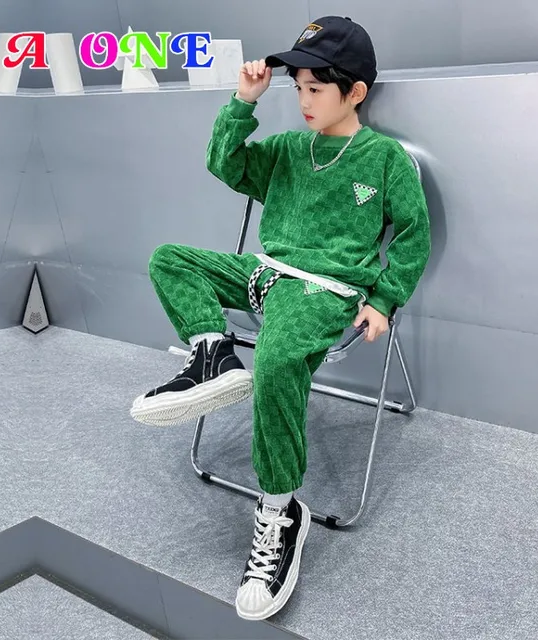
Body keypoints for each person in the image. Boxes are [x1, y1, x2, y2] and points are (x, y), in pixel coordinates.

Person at [130, 15, 431, 621]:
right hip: (264, 274)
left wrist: (383, 299)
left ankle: (280, 510)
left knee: (275, 360)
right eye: (297, 88)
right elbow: (225, 164)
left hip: (323, 291)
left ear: (355, 91)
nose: (303, 101)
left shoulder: (384, 159)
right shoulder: (290, 149)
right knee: (169, 259)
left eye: (315, 88)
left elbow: (413, 234)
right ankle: (212, 352)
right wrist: (244, 102)